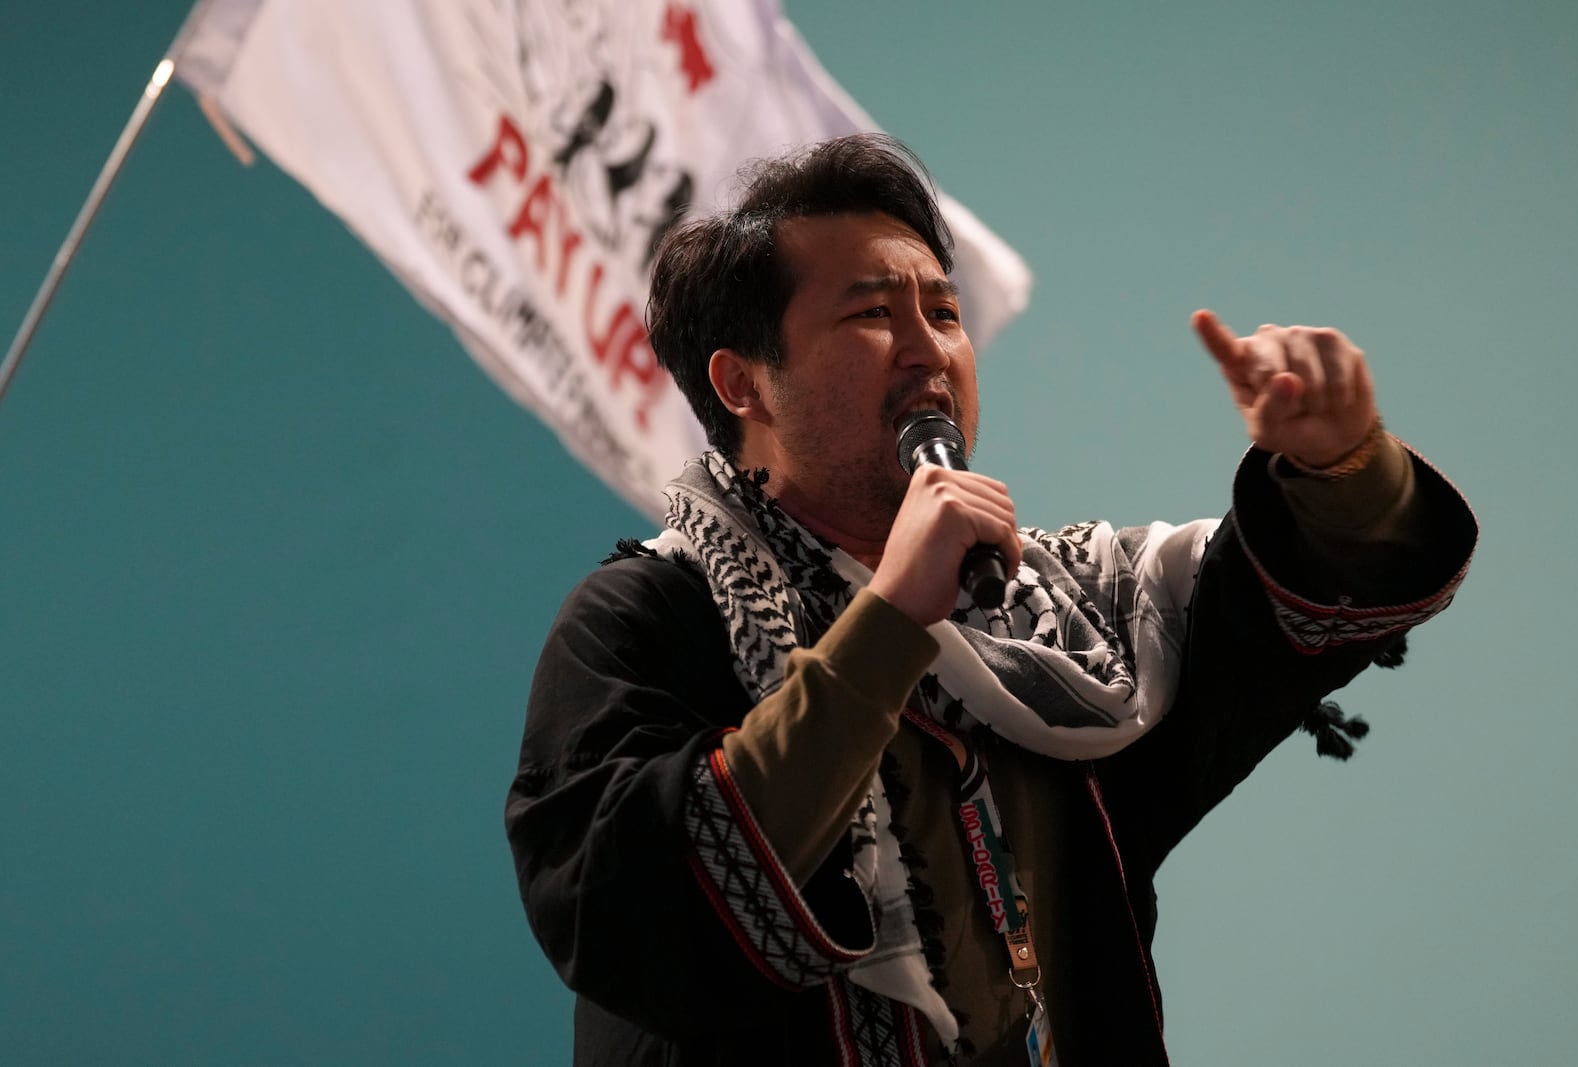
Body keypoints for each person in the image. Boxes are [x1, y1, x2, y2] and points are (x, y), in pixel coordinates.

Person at [505, 134, 1476, 1066]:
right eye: (872, 314)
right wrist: (885, 624)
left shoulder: (1062, 617)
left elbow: (1285, 600)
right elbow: (621, 909)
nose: (928, 349)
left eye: (945, 311)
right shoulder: (644, 617)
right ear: (743, 381)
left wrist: (1338, 464)